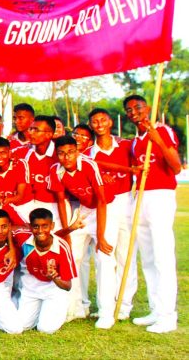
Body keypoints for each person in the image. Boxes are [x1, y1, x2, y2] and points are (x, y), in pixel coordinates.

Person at [48, 135, 115, 328]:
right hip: (84, 211)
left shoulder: (88, 165)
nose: (66, 157)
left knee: (104, 258)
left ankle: (106, 313)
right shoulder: (56, 170)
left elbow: (101, 201)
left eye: (70, 152)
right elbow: (61, 201)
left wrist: (101, 237)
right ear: (57, 154)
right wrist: (67, 231)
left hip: (105, 209)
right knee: (71, 256)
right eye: (61, 153)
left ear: (77, 151)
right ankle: (76, 308)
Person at [87, 107, 136, 319]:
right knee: (104, 255)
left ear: (109, 122)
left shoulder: (126, 145)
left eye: (102, 120)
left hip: (127, 202)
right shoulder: (89, 152)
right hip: (105, 206)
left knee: (127, 256)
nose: (99, 125)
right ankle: (106, 308)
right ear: (91, 126)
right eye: (94, 122)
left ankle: (124, 306)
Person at [16, 208, 77, 334]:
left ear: (52, 226)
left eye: (45, 226)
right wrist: (11, 249)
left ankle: (61, 308)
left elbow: (67, 286)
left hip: (53, 289)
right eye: (36, 227)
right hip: (32, 287)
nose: (40, 231)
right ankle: (39, 311)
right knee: (20, 326)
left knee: (45, 329)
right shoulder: (24, 238)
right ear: (30, 226)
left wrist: (54, 277)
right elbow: (10, 230)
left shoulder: (61, 247)